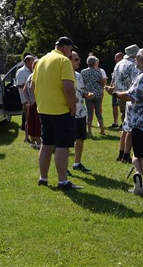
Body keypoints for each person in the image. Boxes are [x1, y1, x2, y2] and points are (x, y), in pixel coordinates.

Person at [107, 48, 143, 196]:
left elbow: (131, 96)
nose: (135, 61)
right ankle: (140, 179)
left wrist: (114, 93)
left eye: (137, 58)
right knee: (138, 154)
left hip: (142, 122)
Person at [33, 36, 82, 190]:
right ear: (65, 48)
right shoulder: (64, 61)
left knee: (46, 144)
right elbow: (68, 88)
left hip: (44, 109)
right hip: (60, 110)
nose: (71, 53)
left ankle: (43, 178)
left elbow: (33, 86)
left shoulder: (41, 61)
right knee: (62, 146)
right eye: (71, 50)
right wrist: (73, 108)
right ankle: (63, 181)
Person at [109, 44, 140, 163]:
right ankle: (126, 154)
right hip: (129, 96)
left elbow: (114, 80)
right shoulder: (133, 65)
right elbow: (136, 82)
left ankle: (121, 152)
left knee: (125, 125)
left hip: (119, 95)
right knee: (131, 127)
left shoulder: (119, 63)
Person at [69, 51, 92, 172]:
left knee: (80, 138)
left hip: (81, 112)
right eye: (76, 59)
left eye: (79, 59)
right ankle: (64, 167)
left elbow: (81, 91)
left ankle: (77, 163)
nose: (79, 61)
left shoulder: (78, 75)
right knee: (66, 141)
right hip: (68, 112)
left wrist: (86, 94)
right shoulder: (63, 75)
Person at [81, 55, 106, 136]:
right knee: (98, 112)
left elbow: (82, 83)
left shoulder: (83, 72)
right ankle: (102, 130)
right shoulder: (98, 71)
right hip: (98, 94)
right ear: (95, 62)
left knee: (89, 112)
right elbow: (102, 84)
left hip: (88, 94)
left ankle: (89, 131)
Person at [16, 54, 35, 141]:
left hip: (33, 98)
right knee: (28, 118)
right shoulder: (21, 71)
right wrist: (27, 85)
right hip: (25, 98)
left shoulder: (33, 70)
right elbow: (18, 85)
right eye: (32, 60)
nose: (34, 62)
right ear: (27, 61)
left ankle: (34, 136)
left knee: (33, 118)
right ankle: (26, 137)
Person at [24, 59, 42, 150]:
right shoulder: (37, 76)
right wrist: (34, 100)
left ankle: (32, 142)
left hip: (30, 103)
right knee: (37, 122)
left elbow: (24, 90)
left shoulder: (29, 76)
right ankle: (38, 142)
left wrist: (28, 100)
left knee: (31, 121)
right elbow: (33, 88)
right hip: (37, 103)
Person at [109, 52, 124, 129]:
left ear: (121, 57)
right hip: (115, 89)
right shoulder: (116, 66)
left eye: (116, 58)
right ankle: (115, 122)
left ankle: (124, 123)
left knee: (123, 107)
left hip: (122, 90)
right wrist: (111, 85)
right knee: (114, 105)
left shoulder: (125, 66)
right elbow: (113, 77)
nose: (115, 59)